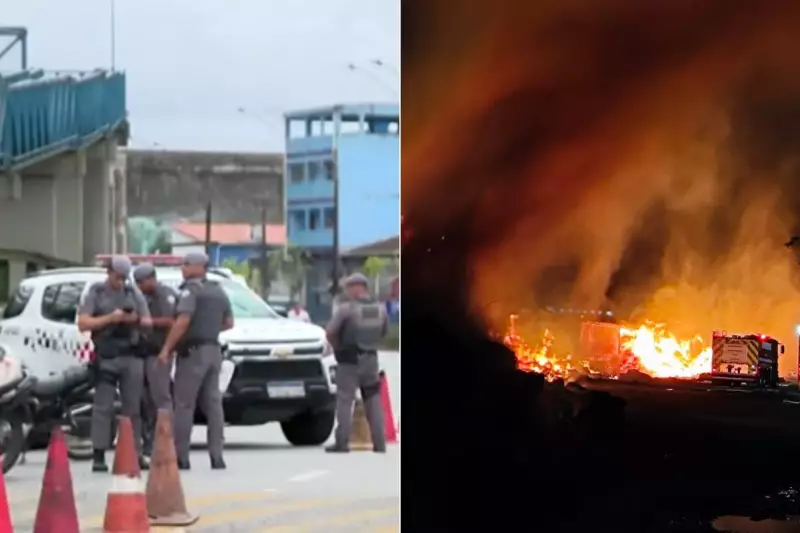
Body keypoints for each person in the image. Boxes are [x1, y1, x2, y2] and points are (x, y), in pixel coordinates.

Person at [77, 255, 152, 472]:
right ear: (109, 273)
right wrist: (110, 318)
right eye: (117, 276)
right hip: (107, 356)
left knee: (133, 408)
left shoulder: (132, 292)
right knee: (103, 407)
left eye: (124, 277)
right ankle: (99, 455)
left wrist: (134, 319)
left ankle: (134, 454)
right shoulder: (96, 292)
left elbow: (146, 322)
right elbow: (83, 323)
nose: (120, 281)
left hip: (131, 355)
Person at [158, 252, 233, 470]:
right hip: (213, 350)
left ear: (200, 267)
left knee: (184, 404)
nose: (183, 267)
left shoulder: (190, 290)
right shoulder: (218, 290)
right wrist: (209, 329)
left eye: (187, 264)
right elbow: (228, 322)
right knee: (214, 404)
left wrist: (166, 348)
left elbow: (182, 321)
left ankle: (181, 456)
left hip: (193, 353)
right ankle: (217, 456)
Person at [325, 272, 388, 453]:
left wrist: (338, 349)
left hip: (348, 360)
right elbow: (383, 332)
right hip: (371, 360)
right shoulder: (380, 309)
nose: (347, 291)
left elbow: (330, 332)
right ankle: (380, 442)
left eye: (348, 287)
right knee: (373, 399)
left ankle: (342, 442)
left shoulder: (347, 309)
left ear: (357, 287)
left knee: (345, 400)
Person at [133, 262, 177, 457]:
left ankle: (166, 441)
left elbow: (171, 321)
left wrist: (148, 321)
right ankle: (149, 442)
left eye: (142, 282)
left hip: (158, 353)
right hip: (141, 353)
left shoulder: (164, 294)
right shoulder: (139, 296)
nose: (139, 286)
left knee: (161, 399)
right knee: (144, 401)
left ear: (152, 278)